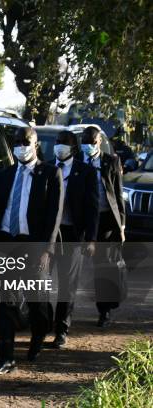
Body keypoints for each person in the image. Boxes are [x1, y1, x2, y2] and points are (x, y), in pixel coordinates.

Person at [0, 127, 63, 375]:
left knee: (37, 303)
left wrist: (47, 250)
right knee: (4, 303)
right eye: (17, 142)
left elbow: (54, 215)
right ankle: (6, 358)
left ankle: (39, 336)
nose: (21, 146)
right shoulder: (6, 175)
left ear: (35, 144)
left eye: (25, 142)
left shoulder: (51, 173)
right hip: (8, 243)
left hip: (35, 245)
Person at [49, 130, 99, 348]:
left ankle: (61, 330)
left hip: (72, 235)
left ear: (74, 148)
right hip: (48, 235)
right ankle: (41, 325)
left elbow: (92, 207)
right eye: (57, 142)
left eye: (65, 143)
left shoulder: (85, 172)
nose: (60, 146)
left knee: (67, 286)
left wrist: (91, 238)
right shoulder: (47, 168)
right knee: (39, 281)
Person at [81, 126, 126, 327]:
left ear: (99, 142)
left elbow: (118, 194)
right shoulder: (76, 162)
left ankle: (104, 310)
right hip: (82, 221)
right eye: (84, 142)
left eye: (91, 142)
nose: (88, 146)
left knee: (104, 267)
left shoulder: (111, 161)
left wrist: (122, 225)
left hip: (106, 219)